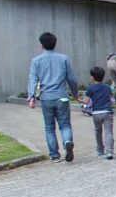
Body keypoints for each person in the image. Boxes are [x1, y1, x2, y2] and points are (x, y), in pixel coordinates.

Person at [28, 32, 79, 163]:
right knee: (65, 125)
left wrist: (31, 97)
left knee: (49, 127)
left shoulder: (36, 61)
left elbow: (33, 80)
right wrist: (75, 93)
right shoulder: (64, 59)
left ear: (41, 45)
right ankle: (67, 141)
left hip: (46, 98)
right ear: (55, 44)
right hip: (62, 97)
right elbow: (72, 79)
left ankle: (54, 155)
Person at [83, 66, 115, 160]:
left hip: (96, 113)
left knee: (98, 131)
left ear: (92, 77)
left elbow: (86, 101)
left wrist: (78, 99)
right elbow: (112, 99)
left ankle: (100, 150)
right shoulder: (107, 87)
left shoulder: (90, 88)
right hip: (107, 112)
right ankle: (109, 152)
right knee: (108, 132)